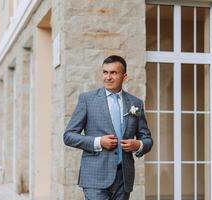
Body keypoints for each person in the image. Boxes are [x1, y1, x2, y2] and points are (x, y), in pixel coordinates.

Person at [63, 55, 153, 200]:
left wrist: (138, 144)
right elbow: (68, 136)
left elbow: (147, 139)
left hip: (123, 178)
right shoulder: (87, 100)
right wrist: (98, 142)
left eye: (113, 73)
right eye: (105, 72)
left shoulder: (135, 103)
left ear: (124, 77)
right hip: (95, 178)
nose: (108, 77)